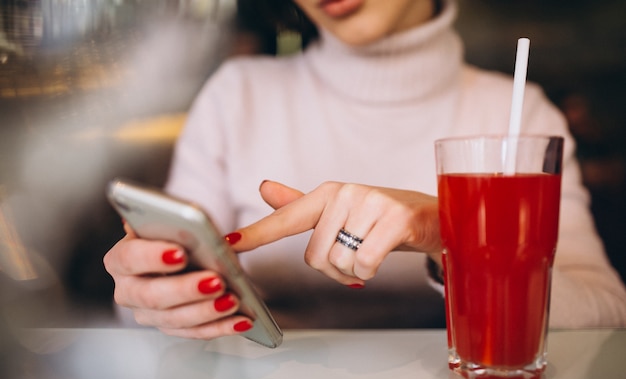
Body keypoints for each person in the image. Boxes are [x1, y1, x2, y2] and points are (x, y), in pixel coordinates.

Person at [103, 0, 626, 340]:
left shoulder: (521, 113)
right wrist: (149, 297)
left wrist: (453, 234)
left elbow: (605, 309)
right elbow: (149, 309)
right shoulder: (235, 94)